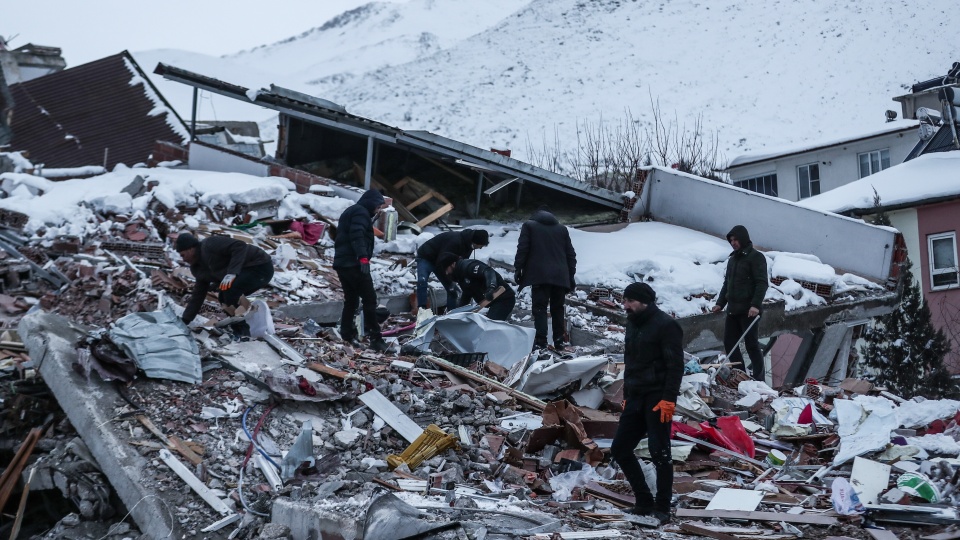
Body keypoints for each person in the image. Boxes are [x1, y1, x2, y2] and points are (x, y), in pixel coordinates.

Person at [610, 282, 683, 525]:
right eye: (624, 300)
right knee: (620, 449)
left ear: (644, 301)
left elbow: (675, 366)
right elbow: (629, 361)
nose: (625, 305)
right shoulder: (632, 323)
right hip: (636, 396)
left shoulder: (666, 325)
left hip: (657, 397)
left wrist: (669, 399)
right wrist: (626, 395)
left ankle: (662, 507)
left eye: (630, 301)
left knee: (659, 452)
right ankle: (643, 502)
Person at [176, 232, 275, 336]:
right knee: (223, 298)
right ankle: (241, 328)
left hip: (260, 265)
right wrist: (185, 321)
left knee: (230, 292)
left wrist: (232, 273)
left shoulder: (209, 244)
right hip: (243, 271)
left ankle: (243, 332)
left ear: (190, 249)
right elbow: (198, 295)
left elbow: (240, 246)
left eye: (183, 255)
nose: (183, 259)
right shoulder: (197, 269)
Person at [711, 225, 769, 381]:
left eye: (736, 239)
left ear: (743, 238)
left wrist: (755, 305)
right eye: (731, 240)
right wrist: (720, 304)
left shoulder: (756, 257)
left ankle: (759, 379)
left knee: (751, 344)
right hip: (732, 309)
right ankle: (740, 375)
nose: (733, 243)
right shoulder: (732, 260)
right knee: (729, 343)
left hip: (749, 310)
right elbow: (727, 284)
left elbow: (761, 283)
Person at [333, 189, 389, 352]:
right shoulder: (360, 212)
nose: (378, 211)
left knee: (351, 300)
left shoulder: (352, 211)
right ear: (371, 203)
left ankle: (347, 334)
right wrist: (363, 257)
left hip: (343, 264)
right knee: (369, 300)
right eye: (378, 207)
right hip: (354, 264)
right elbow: (356, 234)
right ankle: (376, 339)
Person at [514, 205, 577, 350]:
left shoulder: (529, 226)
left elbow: (523, 248)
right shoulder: (562, 229)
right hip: (560, 276)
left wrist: (518, 268)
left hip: (540, 276)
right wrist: (570, 276)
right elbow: (571, 255)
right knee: (558, 309)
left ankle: (541, 341)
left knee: (540, 308)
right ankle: (559, 341)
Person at [415, 229, 490, 312]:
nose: (481, 248)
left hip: (442, 261)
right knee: (422, 281)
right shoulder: (455, 241)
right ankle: (422, 309)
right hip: (426, 257)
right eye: (481, 245)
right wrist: (448, 278)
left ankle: (452, 314)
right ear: (476, 241)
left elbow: (461, 265)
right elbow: (441, 262)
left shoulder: (469, 246)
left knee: (452, 289)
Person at [437, 252, 515, 321]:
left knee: (490, 328)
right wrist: (459, 312)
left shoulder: (468, 266)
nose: (446, 273)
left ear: (453, 264)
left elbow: (488, 271)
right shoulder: (460, 275)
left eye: (446, 269)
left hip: (503, 298)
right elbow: (467, 293)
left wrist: (491, 288)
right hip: (493, 302)